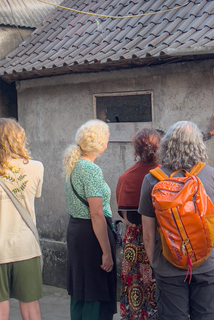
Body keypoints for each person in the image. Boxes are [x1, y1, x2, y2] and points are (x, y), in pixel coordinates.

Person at [139, 121, 214, 320]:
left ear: (166, 145)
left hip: (167, 265)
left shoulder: (152, 179)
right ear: (199, 145)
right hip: (205, 263)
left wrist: (156, 262)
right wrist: (213, 259)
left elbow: (147, 233)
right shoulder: (213, 175)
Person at [0, 118, 44, 320]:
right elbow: (34, 197)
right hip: (26, 248)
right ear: (18, 138)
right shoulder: (36, 167)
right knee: (31, 310)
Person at [63, 119, 117, 320]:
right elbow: (96, 213)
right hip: (92, 234)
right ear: (100, 144)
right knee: (95, 289)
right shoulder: (92, 170)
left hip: (77, 231)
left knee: (80, 289)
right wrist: (106, 252)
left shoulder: (73, 164)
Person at [116, 128, 161, 320]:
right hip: (162, 242)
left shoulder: (126, 178)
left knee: (135, 292)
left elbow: (126, 218)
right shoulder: (166, 175)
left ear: (136, 151)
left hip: (134, 244)